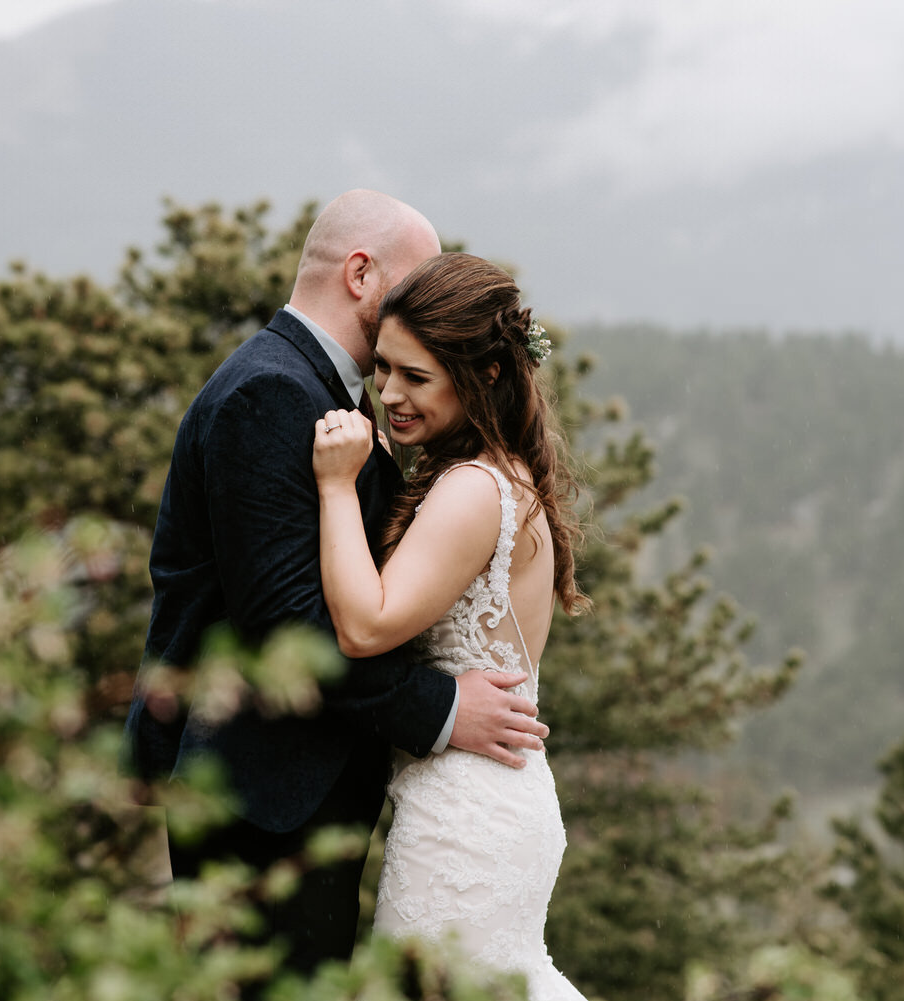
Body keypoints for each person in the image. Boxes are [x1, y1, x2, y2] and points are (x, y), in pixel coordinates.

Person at [122, 191, 552, 975]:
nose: (426, 304)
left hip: (296, 790)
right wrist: (442, 707)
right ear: (362, 274)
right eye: (416, 285)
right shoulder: (273, 392)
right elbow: (289, 626)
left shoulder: (327, 396)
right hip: (260, 791)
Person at [311, 252, 589, 999]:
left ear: (486, 376)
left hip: (465, 822)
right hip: (494, 802)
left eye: (416, 377)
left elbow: (366, 627)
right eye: (385, 370)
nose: (390, 395)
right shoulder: (501, 473)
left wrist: (337, 485)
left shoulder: (471, 489)